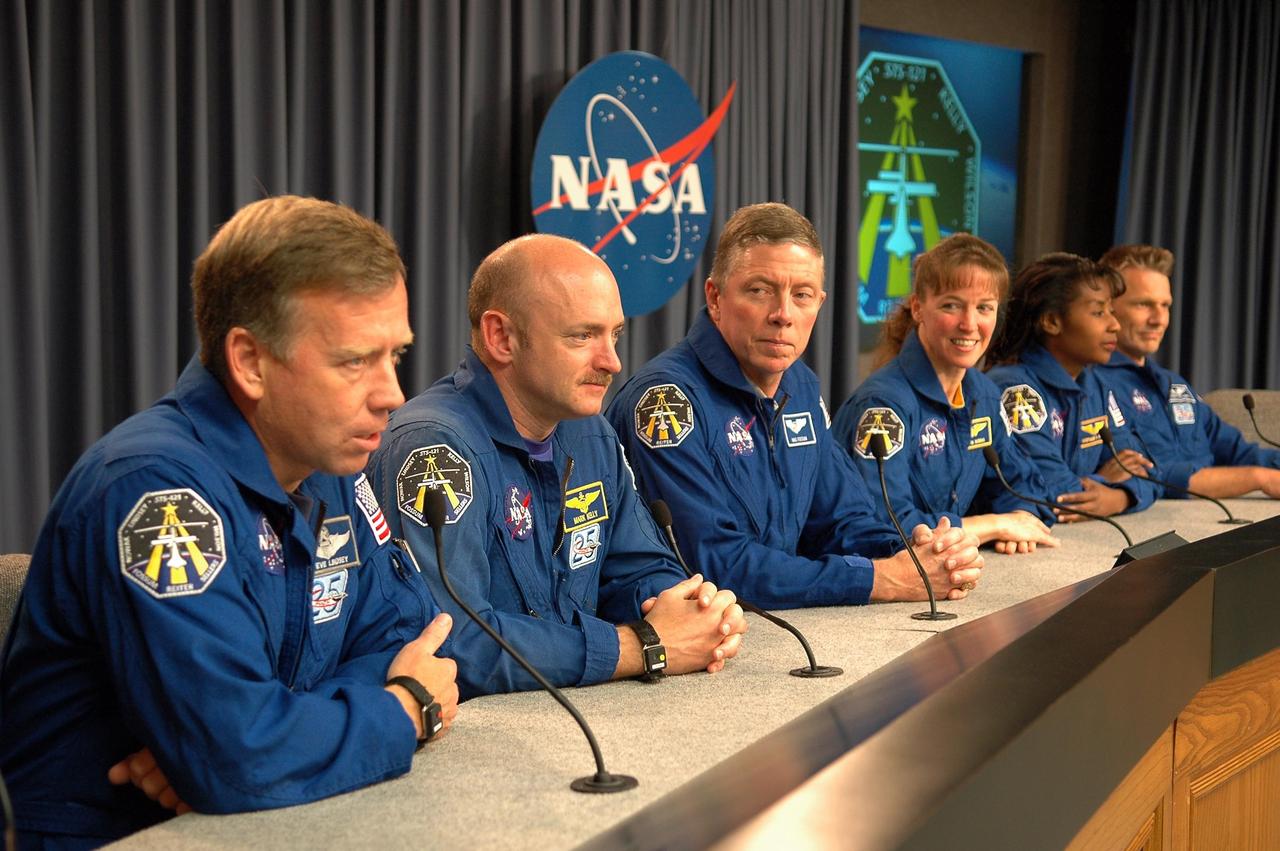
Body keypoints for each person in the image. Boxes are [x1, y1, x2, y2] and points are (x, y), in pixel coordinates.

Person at [0, 196, 460, 848]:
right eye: (355, 360)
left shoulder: (329, 460)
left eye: (396, 356)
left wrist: (275, 736)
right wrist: (405, 704)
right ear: (249, 361)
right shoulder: (154, 492)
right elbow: (238, 755)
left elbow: (411, 637)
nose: (392, 393)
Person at [367, 234, 746, 701]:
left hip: (577, 717)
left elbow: (639, 568)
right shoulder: (432, 450)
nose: (612, 362)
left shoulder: (590, 434)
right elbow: (453, 642)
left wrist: (695, 612)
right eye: (582, 336)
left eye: (614, 335)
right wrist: (641, 646)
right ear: (501, 337)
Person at [605, 203, 983, 610]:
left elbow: (842, 519)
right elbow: (715, 566)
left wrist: (918, 551)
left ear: (819, 303)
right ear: (715, 298)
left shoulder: (799, 385)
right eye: (760, 290)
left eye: (801, 295)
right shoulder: (665, 401)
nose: (783, 315)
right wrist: (881, 579)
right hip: (694, 645)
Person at [831, 234, 1059, 554]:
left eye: (984, 308)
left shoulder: (984, 394)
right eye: (952, 306)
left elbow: (1026, 487)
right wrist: (991, 526)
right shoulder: (883, 405)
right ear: (918, 308)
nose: (969, 324)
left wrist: (1020, 519)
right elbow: (882, 527)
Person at [985, 253, 1162, 520]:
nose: (1114, 324)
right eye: (1099, 312)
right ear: (1052, 321)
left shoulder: (1097, 384)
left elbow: (1149, 471)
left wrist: (1119, 497)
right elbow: (1052, 494)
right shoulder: (1014, 390)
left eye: (1112, 311)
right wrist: (1103, 482)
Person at [1098, 244, 1280, 497]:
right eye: (1143, 304)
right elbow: (1146, 474)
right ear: (1107, 308)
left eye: (1165, 305)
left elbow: (1240, 452)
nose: (1159, 319)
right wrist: (1258, 478)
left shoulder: (1174, 384)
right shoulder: (1093, 385)